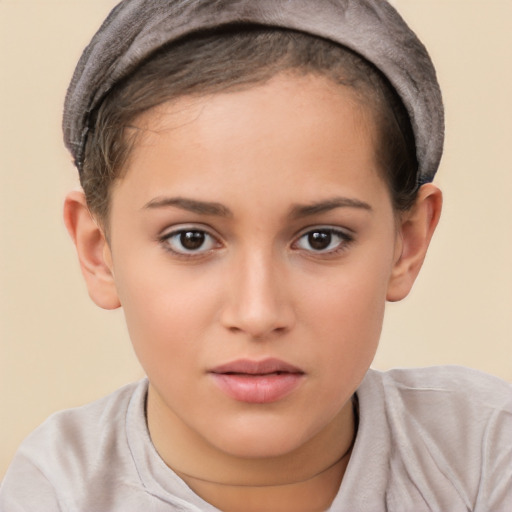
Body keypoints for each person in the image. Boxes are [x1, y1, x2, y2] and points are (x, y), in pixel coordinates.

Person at [1, 0, 510, 510]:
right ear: (98, 250)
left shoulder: (483, 450)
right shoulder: (57, 489)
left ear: (409, 242)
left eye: (321, 238)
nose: (258, 313)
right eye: (191, 239)